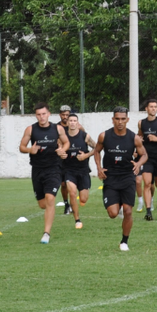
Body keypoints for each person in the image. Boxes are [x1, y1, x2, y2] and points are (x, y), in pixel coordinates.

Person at [94, 107, 147, 251]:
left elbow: (144, 155)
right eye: (117, 119)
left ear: (127, 120)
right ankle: (120, 207)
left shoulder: (134, 137)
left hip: (127, 177)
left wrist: (138, 164)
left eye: (123, 119)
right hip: (110, 177)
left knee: (129, 211)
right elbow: (96, 151)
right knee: (112, 214)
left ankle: (124, 241)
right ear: (113, 120)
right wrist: (99, 167)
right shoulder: (104, 136)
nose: (120, 122)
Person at [19, 102, 70, 244]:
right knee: (43, 204)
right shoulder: (31, 129)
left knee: (50, 199)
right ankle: (47, 226)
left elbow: (66, 143)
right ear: (36, 116)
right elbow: (22, 147)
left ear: (49, 114)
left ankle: (46, 233)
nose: (41, 117)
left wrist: (62, 150)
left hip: (54, 168)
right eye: (38, 115)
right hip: (37, 169)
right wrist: (30, 150)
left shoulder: (57, 128)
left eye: (44, 114)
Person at [62, 113, 97, 229]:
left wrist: (86, 156)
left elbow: (97, 148)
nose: (72, 123)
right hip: (69, 170)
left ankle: (81, 201)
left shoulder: (84, 136)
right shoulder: (63, 137)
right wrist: (60, 153)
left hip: (83, 170)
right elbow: (57, 148)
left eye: (74, 121)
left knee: (83, 199)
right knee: (72, 193)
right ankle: (77, 220)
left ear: (78, 123)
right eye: (70, 120)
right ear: (67, 123)